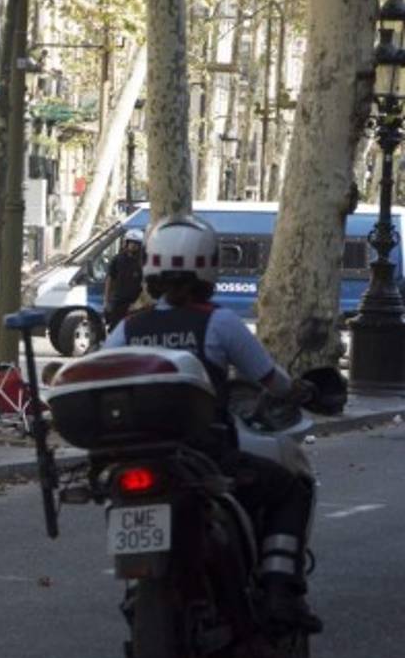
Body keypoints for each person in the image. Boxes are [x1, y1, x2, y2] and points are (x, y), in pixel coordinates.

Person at [105, 213, 322, 634]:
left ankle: (136, 588)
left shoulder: (129, 328)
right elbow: (270, 379)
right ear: (208, 265)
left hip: (140, 455)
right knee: (290, 489)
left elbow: (99, 368)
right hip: (208, 455)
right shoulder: (218, 322)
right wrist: (300, 391)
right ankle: (279, 590)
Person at [104, 228, 144, 332]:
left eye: (136, 243)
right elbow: (110, 279)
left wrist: (138, 302)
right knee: (115, 330)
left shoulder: (144, 262)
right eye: (131, 242)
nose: (133, 245)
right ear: (126, 243)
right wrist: (106, 301)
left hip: (136, 304)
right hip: (118, 302)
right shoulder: (117, 260)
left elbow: (146, 284)